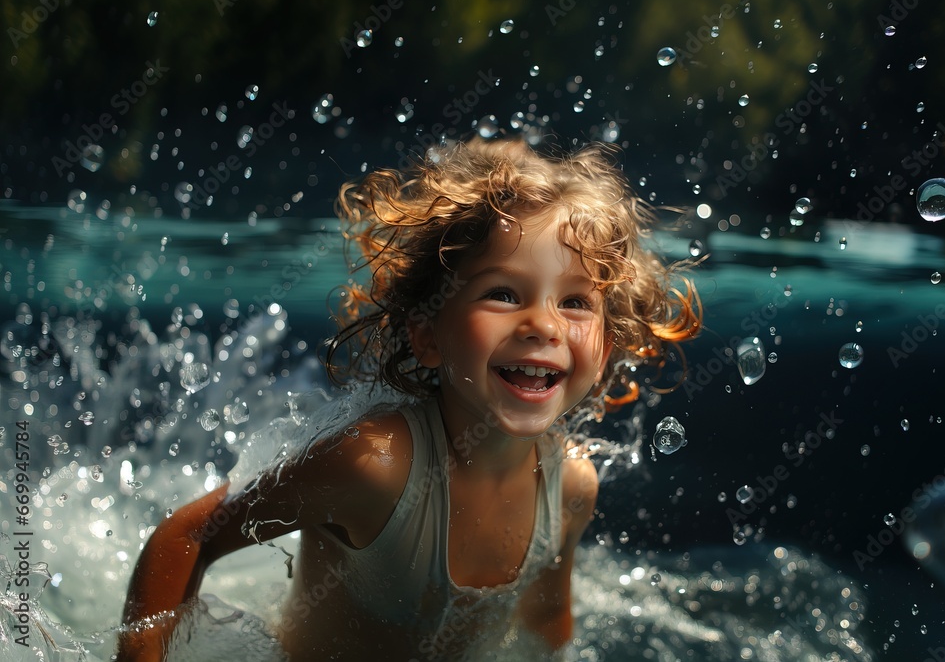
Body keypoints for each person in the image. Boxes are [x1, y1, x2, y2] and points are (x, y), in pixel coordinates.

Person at [117, 136, 701, 660]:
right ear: (426, 334)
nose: (543, 325)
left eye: (576, 302)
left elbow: (547, 626)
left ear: (605, 348)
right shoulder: (375, 466)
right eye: (502, 293)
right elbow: (188, 536)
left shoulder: (571, 486)